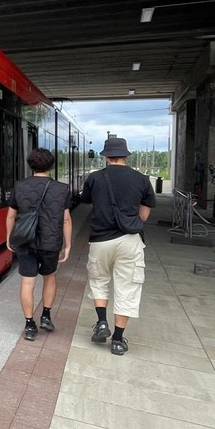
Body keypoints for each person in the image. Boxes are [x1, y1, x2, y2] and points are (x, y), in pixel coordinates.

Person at [80, 137, 156, 355]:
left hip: (100, 240)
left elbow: (87, 201)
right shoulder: (141, 179)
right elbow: (147, 207)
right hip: (130, 240)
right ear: (125, 155)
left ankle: (102, 322)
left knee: (99, 280)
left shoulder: (95, 178)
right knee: (127, 287)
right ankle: (118, 340)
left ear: (105, 156)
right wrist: (136, 222)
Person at [6, 148, 73, 341]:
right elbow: (66, 220)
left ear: (31, 165)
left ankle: (29, 325)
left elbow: (11, 215)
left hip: (26, 241)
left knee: (28, 282)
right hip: (50, 242)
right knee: (49, 277)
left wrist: (9, 238)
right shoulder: (61, 189)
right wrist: (67, 245)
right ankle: (46, 315)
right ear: (51, 165)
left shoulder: (19, 186)